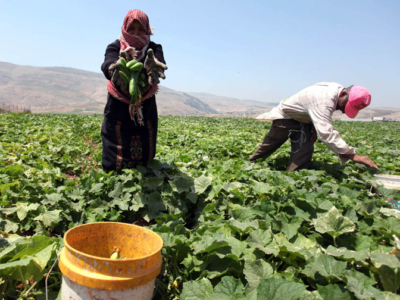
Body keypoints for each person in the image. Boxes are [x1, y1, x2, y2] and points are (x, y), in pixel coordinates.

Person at [249, 82, 379, 172]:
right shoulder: (324, 100)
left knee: (304, 149)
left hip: (304, 120)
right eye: (345, 106)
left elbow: (314, 111)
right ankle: (250, 165)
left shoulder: (336, 90)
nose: (344, 111)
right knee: (270, 144)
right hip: (286, 117)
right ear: (343, 94)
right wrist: (353, 155)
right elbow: (326, 133)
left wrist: (313, 124)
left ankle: (295, 178)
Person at [101, 9, 167, 171]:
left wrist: (154, 65)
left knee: (145, 136)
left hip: (145, 102)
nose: (136, 33)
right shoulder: (115, 47)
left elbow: (160, 62)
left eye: (140, 29)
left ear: (147, 30)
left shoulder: (153, 48)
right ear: (125, 28)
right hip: (118, 103)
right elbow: (107, 63)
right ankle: (113, 176)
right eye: (132, 29)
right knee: (115, 138)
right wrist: (113, 68)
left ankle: (143, 173)